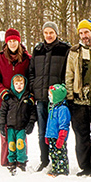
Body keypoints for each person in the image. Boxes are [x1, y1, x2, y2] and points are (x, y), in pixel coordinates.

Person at [65, 20, 91, 176]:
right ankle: (84, 165)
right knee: (81, 134)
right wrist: (69, 96)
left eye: (86, 32)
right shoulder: (74, 51)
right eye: (81, 33)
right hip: (79, 99)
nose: (84, 36)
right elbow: (69, 74)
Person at [29, 23, 70, 171]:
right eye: (46, 32)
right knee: (43, 132)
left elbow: (67, 71)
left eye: (51, 32)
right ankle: (44, 159)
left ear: (56, 33)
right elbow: (31, 71)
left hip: (56, 99)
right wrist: (34, 86)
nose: (48, 35)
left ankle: (59, 159)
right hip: (41, 96)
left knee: (58, 131)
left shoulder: (64, 49)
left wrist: (63, 90)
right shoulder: (38, 49)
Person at [0, 28, 31, 167]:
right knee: (5, 133)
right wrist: (3, 92)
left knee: (21, 132)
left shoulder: (27, 58)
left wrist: (29, 95)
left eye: (15, 41)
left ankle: (21, 159)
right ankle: (7, 160)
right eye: (10, 41)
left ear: (19, 42)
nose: (13, 44)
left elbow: (30, 78)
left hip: (22, 101)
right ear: (6, 42)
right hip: (6, 100)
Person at [0, 73, 33, 175]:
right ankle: (11, 161)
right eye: (16, 83)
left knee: (20, 144)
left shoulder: (27, 97)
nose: (19, 86)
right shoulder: (8, 97)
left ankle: (21, 161)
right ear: (13, 84)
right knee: (11, 145)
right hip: (11, 126)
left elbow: (32, 112)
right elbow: (3, 112)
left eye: (21, 84)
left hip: (22, 126)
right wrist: (1, 124)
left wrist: (30, 123)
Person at [45, 84, 71, 177]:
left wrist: (62, 137)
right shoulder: (52, 108)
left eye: (51, 95)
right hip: (51, 135)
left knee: (60, 155)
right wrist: (47, 135)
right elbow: (49, 123)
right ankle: (55, 169)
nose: (49, 97)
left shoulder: (63, 109)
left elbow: (64, 124)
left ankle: (62, 171)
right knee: (53, 154)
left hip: (59, 137)